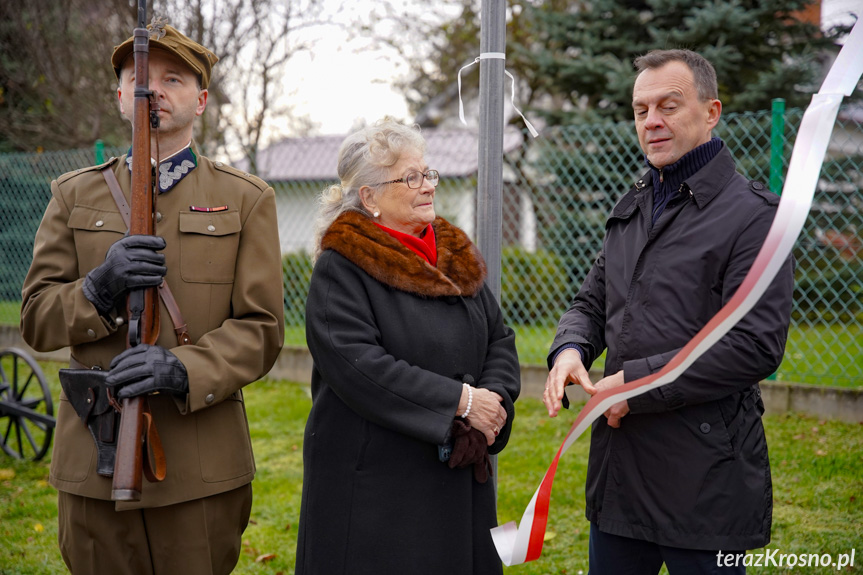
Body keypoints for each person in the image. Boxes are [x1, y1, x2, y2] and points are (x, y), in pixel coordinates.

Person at [20, 20, 284, 575]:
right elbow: (38, 321)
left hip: (198, 465)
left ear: (202, 99)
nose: (154, 90)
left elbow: (261, 330)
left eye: (174, 79)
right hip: (95, 457)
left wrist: (181, 368)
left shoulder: (245, 199)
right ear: (120, 96)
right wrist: (97, 288)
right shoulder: (73, 195)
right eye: (139, 78)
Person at [543, 49, 794, 574]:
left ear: (711, 112)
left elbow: (754, 346)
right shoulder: (634, 205)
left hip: (703, 477)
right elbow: (592, 301)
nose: (651, 121)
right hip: (621, 476)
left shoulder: (755, 217)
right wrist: (570, 348)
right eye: (640, 110)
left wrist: (632, 384)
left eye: (668, 106)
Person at [295, 118, 520, 575]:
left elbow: (499, 338)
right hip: (378, 487)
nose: (427, 186)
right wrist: (459, 402)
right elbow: (360, 366)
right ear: (370, 197)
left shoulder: (453, 253)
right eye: (410, 177)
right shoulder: (343, 266)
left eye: (427, 173)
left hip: (458, 472)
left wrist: (489, 410)